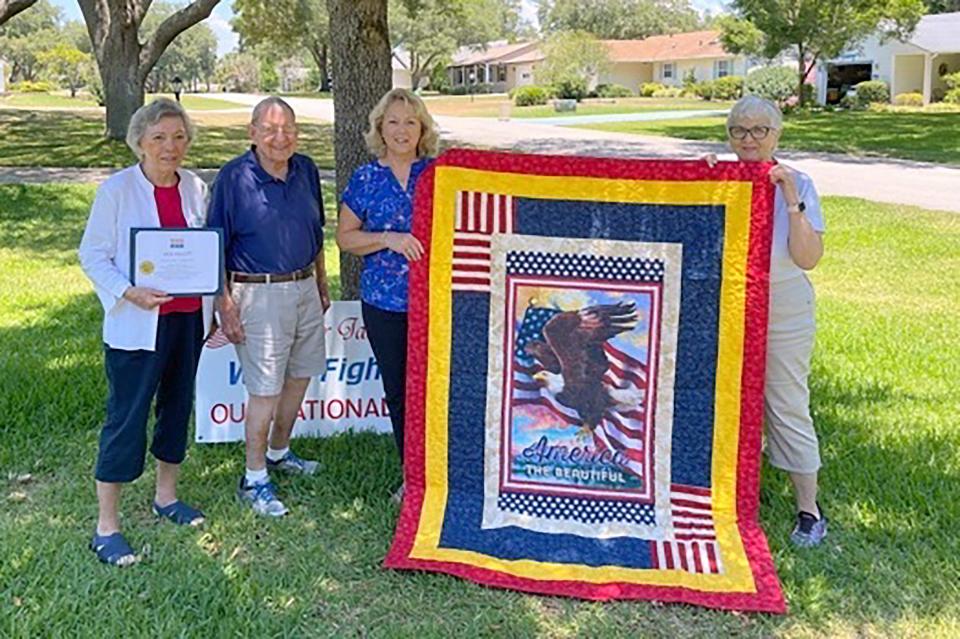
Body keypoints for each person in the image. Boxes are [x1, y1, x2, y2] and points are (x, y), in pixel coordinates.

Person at [79, 98, 213, 566]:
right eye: (158, 138)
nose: (169, 147)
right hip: (137, 325)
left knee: (177, 408)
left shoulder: (197, 188)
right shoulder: (116, 191)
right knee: (127, 417)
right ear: (139, 142)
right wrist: (128, 291)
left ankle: (166, 497)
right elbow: (92, 255)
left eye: (178, 137)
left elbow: (206, 252)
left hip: (186, 320)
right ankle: (106, 526)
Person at [706, 95, 827, 547]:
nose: (749, 139)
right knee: (717, 398)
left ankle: (809, 510)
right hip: (723, 305)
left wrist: (791, 198)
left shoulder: (798, 183)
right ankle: (721, 494)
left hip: (783, 306)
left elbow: (809, 258)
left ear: (777, 134)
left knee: (786, 400)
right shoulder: (719, 179)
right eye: (739, 130)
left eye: (760, 131)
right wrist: (697, 182)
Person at [208, 97, 330, 517]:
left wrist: (322, 282)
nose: (282, 138)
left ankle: (279, 453)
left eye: (289, 128)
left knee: (298, 379)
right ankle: (253, 477)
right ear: (253, 133)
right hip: (257, 294)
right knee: (265, 391)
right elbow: (215, 248)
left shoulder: (307, 169)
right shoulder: (233, 178)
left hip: (304, 288)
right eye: (271, 129)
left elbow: (317, 232)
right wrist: (224, 304)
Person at [335, 88, 439, 502]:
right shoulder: (365, 178)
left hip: (438, 302)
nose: (401, 130)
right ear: (380, 127)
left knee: (435, 389)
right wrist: (387, 239)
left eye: (410, 122)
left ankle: (442, 474)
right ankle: (411, 478)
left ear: (422, 129)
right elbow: (345, 238)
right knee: (399, 390)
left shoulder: (439, 174)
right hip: (385, 303)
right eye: (393, 121)